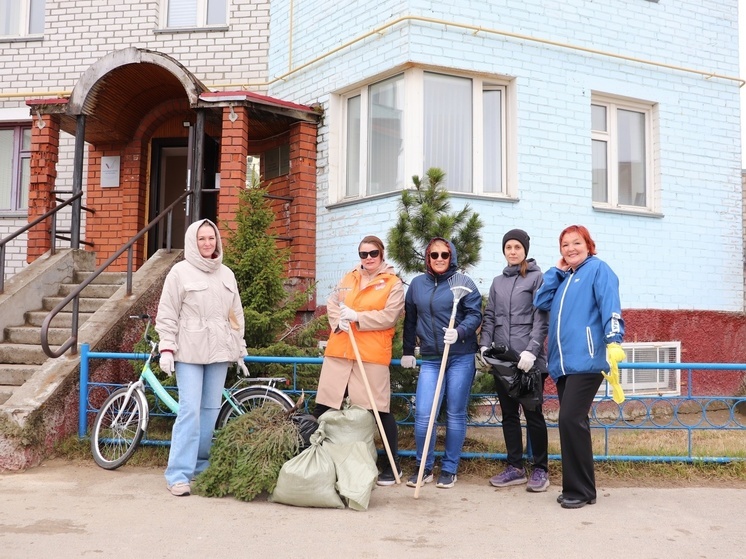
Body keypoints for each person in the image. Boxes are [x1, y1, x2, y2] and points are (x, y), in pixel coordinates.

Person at [534, 225, 624, 509]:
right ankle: (578, 488)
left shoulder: (599, 269)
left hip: (587, 360)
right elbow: (540, 300)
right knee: (573, 423)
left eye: (576, 243)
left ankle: (582, 490)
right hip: (563, 363)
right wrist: (556, 270)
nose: (571, 249)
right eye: (565, 245)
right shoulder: (565, 277)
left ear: (588, 244)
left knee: (569, 419)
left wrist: (614, 339)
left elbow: (611, 305)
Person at [156, 219, 248, 497]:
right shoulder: (179, 272)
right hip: (191, 351)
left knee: (210, 411)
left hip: (219, 351)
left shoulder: (226, 274)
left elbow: (235, 314)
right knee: (189, 410)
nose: (208, 244)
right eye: (202, 239)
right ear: (192, 242)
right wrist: (167, 348)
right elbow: (168, 312)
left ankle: (201, 466)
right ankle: (178, 474)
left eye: (212, 238)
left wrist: (239, 347)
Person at [312, 235, 405, 486]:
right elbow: (333, 303)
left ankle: (392, 464)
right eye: (363, 254)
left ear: (382, 254)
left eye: (373, 253)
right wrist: (338, 321)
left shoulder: (392, 284)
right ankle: (309, 458)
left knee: (378, 410)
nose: (368, 259)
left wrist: (357, 317)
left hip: (371, 354)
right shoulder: (349, 277)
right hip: (340, 351)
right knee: (324, 405)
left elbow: (389, 316)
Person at [401, 238, 482, 489]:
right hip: (432, 358)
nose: (439, 259)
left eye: (444, 255)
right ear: (427, 257)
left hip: (460, 356)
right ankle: (423, 467)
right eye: (434, 255)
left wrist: (460, 331)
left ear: (452, 256)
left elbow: (476, 314)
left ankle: (449, 468)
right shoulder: (416, 285)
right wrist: (407, 351)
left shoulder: (463, 283)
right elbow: (410, 319)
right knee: (424, 414)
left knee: (455, 413)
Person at [479, 229, 550, 492]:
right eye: (508, 247)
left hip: (528, 361)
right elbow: (490, 316)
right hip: (503, 361)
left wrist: (532, 350)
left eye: (517, 247)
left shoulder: (536, 278)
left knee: (533, 415)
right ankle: (515, 467)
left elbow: (541, 317)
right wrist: (485, 345)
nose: (512, 251)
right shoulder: (498, 282)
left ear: (525, 251)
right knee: (509, 415)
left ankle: (541, 469)